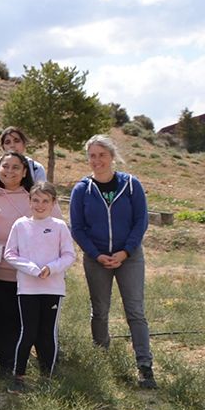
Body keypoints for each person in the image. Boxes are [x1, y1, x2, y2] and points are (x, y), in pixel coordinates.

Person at [70, 135, 154, 389]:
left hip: (129, 257)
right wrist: (97, 255)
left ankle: (145, 366)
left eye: (102, 155)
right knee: (100, 311)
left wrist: (125, 252)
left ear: (112, 156)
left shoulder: (131, 185)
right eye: (92, 156)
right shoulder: (82, 189)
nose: (97, 161)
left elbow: (141, 220)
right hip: (97, 259)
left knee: (135, 311)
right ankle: (101, 360)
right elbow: (78, 228)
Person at [0, 152, 55, 376]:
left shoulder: (36, 197)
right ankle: (6, 363)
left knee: (27, 322)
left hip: (30, 274)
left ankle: (28, 365)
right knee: (2, 318)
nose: (9, 171)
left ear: (25, 172)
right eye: (5, 166)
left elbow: (55, 228)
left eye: (16, 167)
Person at [4, 181, 75, 393]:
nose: (40, 205)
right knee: (28, 332)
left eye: (45, 201)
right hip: (27, 288)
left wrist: (51, 268)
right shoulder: (20, 225)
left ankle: (47, 377)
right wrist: (33, 269)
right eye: (36, 200)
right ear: (30, 201)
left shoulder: (60, 226)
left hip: (53, 289)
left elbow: (69, 255)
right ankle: (19, 376)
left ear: (53, 203)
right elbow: (10, 254)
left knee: (47, 333)